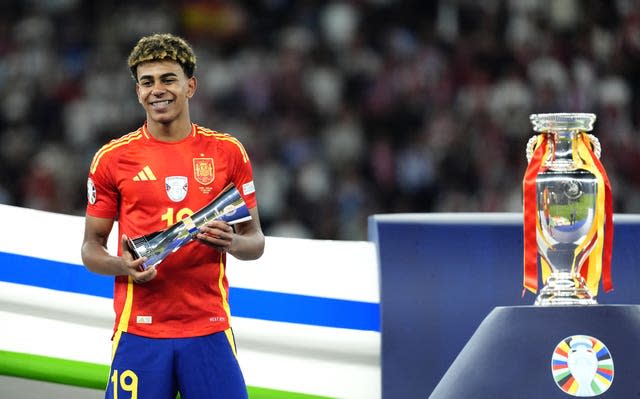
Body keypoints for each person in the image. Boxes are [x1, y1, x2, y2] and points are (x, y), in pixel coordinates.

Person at [81, 33, 265, 399]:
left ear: (190, 86)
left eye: (168, 79)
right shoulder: (113, 159)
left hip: (209, 326)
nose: (157, 90)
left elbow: (255, 242)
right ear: (137, 92)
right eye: (147, 82)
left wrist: (232, 241)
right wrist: (123, 265)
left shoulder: (227, 153)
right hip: (140, 330)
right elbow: (90, 248)